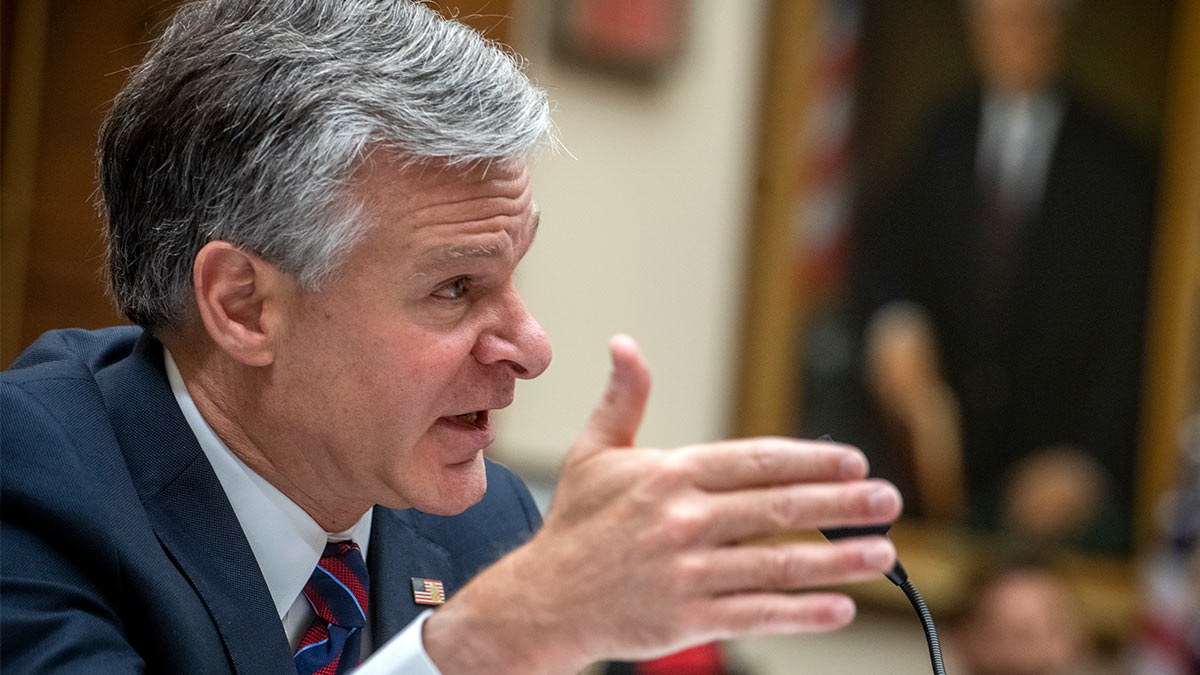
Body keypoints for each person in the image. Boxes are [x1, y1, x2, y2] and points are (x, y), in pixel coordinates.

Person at [0, 1, 904, 673]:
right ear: (244, 306)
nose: (531, 347)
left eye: (515, 276)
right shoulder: (32, 481)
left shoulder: (489, 527)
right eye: (455, 287)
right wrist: (481, 645)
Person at [850, 0, 1156, 550]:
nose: (1014, 35)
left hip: (1055, 488)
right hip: (940, 482)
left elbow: (1138, 330)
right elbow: (886, 261)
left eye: (1031, 18)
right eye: (999, 19)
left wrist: (1091, 462)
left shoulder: (1116, 166)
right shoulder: (940, 139)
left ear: (1061, 25)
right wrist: (894, 324)